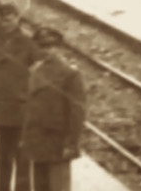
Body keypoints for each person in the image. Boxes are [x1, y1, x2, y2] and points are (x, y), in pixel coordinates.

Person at [0, 3, 39, 191]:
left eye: (11, 19)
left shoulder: (28, 43)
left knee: (22, 156)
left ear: (18, 19)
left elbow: (38, 75)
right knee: (2, 155)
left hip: (21, 107)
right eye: (3, 19)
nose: (7, 23)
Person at [20, 28, 85, 191]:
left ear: (60, 48)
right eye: (42, 47)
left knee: (58, 187)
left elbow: (77, 112)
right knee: (40, 187)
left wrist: (71, 144)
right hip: (38, 141)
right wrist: (25, 137)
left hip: (58, 143)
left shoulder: (70, 74)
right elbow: (30, 108)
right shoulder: (35, 71)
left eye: (51, 47)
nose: (47, 51)